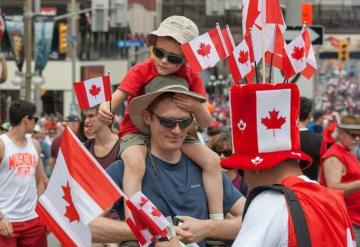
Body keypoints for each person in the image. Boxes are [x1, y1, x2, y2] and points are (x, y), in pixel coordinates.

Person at [90, 76, 245, 247]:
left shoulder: (205, 168)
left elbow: (252, 217)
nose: (177, 130)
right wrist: (155, 231)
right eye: (168, 122)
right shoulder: (124, 169)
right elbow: (84, 222)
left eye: (185, 122)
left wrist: (208, 228)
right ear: (147, 117)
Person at [98, 16, 223, 220]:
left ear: (187, 58)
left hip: (174, 132)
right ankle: (135, 223)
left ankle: (217, 219)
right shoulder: (141, 70)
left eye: (173, 58)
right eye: (159, 53)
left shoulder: (192, 76)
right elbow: (116, 97)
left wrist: (196, 107)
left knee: (212, 160)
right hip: (135, 132)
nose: (164, 61)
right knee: (136, 164)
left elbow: (207, 122)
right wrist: (105, 107)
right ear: (153, 46)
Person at [221, 83, 355, 246]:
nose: (245, 181)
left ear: (256, 168)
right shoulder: (334, 200)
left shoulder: (269, 202)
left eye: (242, 171)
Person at [0, 99, 48, 246]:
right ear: (26, 120)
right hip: (6, 221)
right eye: (35, 119)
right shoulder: (2, 145)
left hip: (33, 220)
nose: (36, 123)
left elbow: (41, 180)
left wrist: (41, 213)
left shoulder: (34, 144)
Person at [320, 115, 360, 243]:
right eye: (353, 135)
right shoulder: (334, 156)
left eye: (359, 135)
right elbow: (332, 188)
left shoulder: (348, 152)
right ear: (341, 133)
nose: (357, 139)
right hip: (347, 221)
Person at [208, 131, 248, 196]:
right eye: (217, 152)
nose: (222, 156)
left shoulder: (247, 184)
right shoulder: (207, 181)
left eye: (227, 153)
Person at [299, 97, 326, 180]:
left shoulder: (284, 137)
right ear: (310, 114)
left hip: (285, 189)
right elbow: (321, 170)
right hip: (310, 187)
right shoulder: (320, 139)